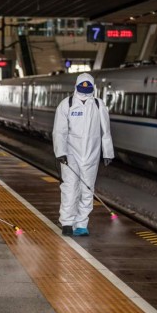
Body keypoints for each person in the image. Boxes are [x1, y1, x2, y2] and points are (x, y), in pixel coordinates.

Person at [52, 73, 114, 236]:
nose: (85, 91)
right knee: (70, 188)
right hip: (70, 155)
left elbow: (105, 131)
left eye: (88, 87)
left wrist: (108, 152)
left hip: (92, 155)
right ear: (76, 86)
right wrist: (61, 152)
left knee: (87, 190)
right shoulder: (67, 105)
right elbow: (59, 131)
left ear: (93, 87)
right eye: (82, 87)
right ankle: (67, 222)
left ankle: (81, 224)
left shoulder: (99, 105)